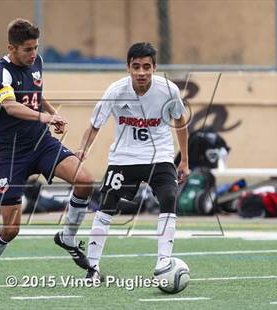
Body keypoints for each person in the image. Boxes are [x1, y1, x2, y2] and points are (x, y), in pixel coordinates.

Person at [0, 18, 93, 283]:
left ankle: (68, 236)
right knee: (11, 228)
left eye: (36, 47)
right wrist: (43, 117)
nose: (33, 54)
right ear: (12, 48)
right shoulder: (0, 73)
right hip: (10, 155)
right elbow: (11, 106)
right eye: (27, 49)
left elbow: (36, 93)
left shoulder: (36, 63)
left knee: (85, 181)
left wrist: (51, 112)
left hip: (41, 144)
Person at [73, 42, 190, 280]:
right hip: (124, 158)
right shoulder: (115, 91)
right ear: (128, 67)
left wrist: (184, 160)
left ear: (154, 68)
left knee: (169, 197)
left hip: (160, 156)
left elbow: (180, 123)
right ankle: (93, 268)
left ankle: (164, 262)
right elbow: (95, 126)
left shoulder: (169, 91)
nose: (141, 72)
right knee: (106, 205)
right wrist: (82, 151)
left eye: (147, 67)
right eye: (136, 66)